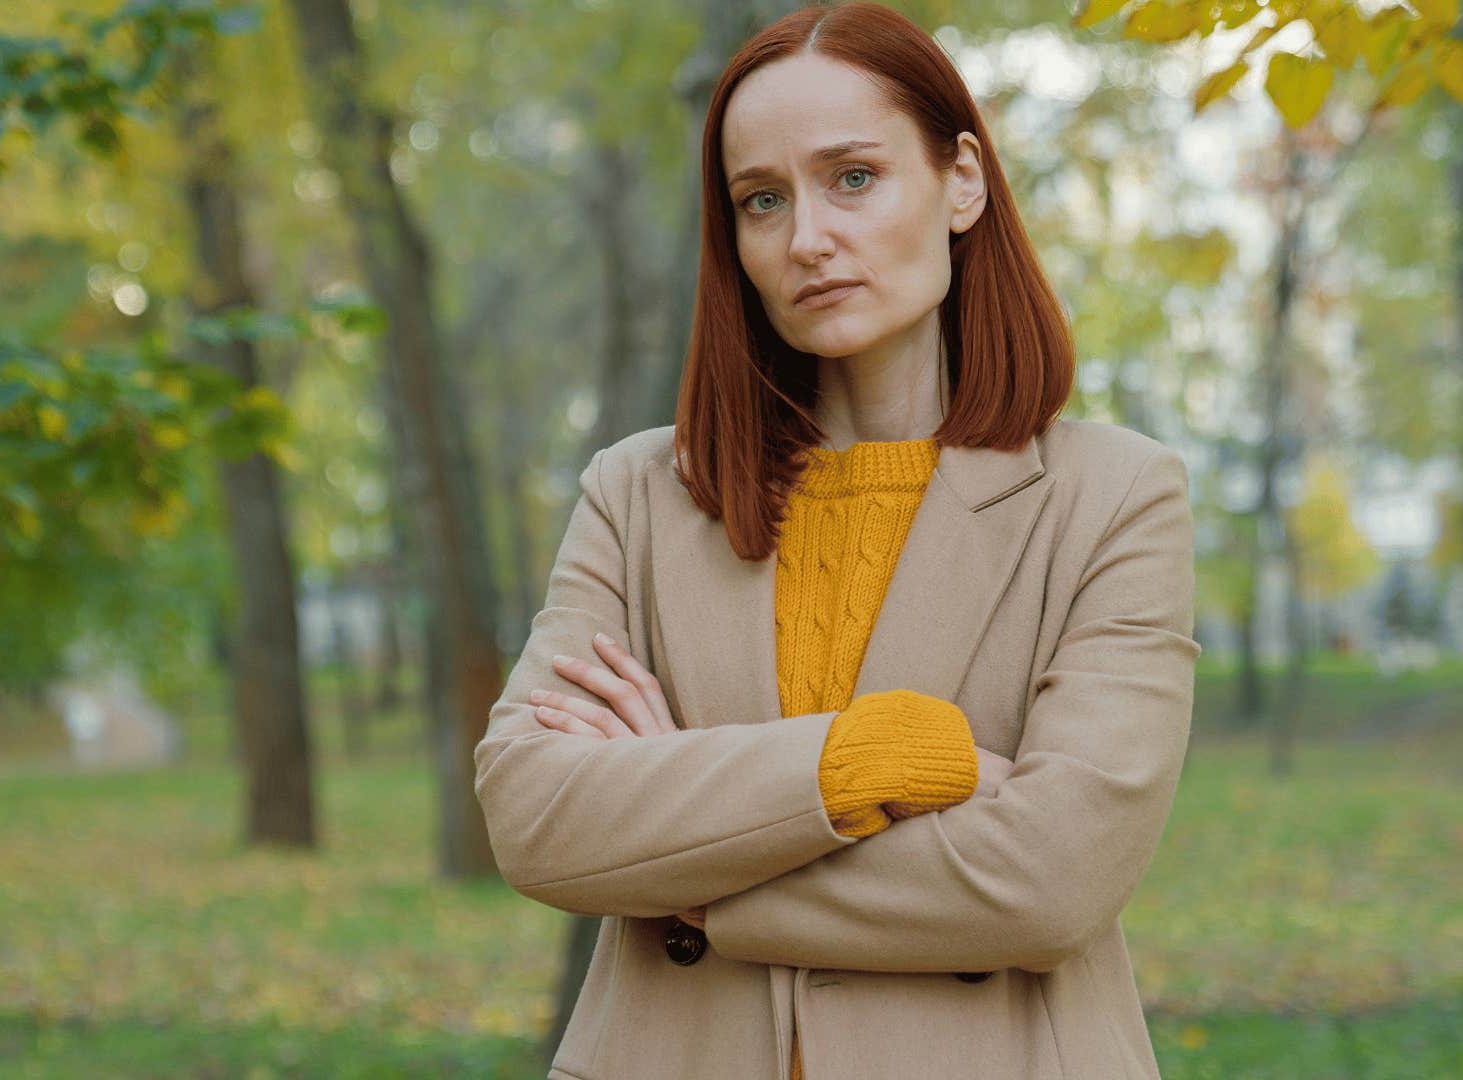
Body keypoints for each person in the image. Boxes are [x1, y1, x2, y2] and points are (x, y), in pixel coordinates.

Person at [472, 3, 1201, 1077]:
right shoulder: (640, 494)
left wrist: (681, 855)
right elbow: (536, 817)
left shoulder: (1115, 496)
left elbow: (1050, 883)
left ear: (961, 180)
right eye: (762, 200)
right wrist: (880, 758)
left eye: (853, 177)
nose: (806, 238)